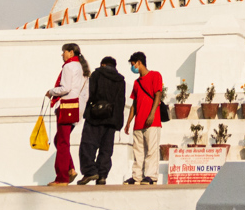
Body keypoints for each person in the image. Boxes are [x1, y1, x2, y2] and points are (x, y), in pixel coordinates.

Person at [46, 43, 89, 185]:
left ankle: (62, 177)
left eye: (64, 52)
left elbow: (65, 88)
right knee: (59, 140)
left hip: (67, 106)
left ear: (71, 52)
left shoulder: (69, 66)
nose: (62, 54)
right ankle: (70, 169)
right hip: (77, 107)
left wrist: (51, 92)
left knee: (63, 142)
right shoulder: (81, 67)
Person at [80, 55, 126, 185]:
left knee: (88, 145)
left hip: (95, 116)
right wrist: (118, 122)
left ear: (103, 65)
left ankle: (90, 171)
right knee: (106, 149)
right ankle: (102, 175)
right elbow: (121, 102)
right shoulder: (120, 80)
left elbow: (90, 94)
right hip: (111, 119)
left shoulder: (97, 74)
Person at [124, 52, 164, 185]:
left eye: (133, 64)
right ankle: (137, 176)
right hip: (138, 122)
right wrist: (128, 122)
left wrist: (152, 114)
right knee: (138, 151)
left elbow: (158, 95)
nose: (133, 67)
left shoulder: (155, 75)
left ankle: (151, 176)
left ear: (139, 62)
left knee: (152, 150)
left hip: (152, 121)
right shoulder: (136, 83)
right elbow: (134, 104)